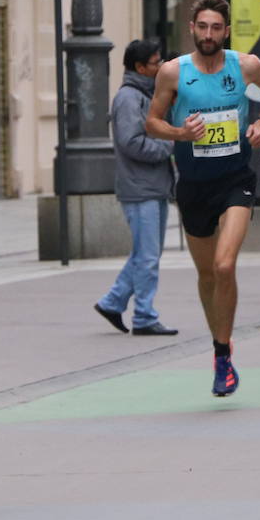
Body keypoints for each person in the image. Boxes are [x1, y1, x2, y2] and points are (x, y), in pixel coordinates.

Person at [145, 0, 260, 397]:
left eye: (216, 28)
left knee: (224, 265)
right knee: (207, 274)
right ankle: (219, 345)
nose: (209, 35)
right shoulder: (173, 72)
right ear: (192, 28)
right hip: (193, 185)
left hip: (235, 179)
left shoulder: (245, 66)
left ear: (226, 30)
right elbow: (152, 123)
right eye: (202, 27)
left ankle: (223, 356)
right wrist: (179, 134)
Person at [94, 39, 178, 337]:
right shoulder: (129, 98)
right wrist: (170, 145)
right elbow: (131, 143)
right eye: (156, 62)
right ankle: (144, 315)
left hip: (153, 185)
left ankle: (113, 301)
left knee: (147, 253)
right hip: (140, 187)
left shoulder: (147, 94)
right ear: (141, 67)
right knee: (147, 256)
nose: (161, 66)